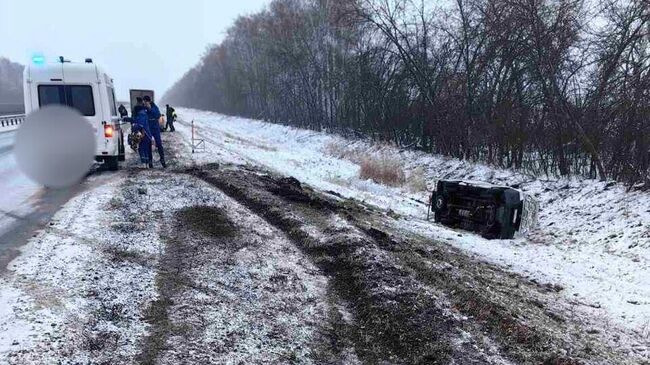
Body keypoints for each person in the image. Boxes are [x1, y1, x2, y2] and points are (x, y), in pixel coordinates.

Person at [143, 95, 166, 168]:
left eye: (145, 102)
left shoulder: (154, 107)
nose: (145, 103)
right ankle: (150, 161)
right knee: (148, 145)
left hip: (155, 128)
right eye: (144, 102)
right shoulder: (143, 108)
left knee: (159, 144)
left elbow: (158, 115)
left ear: (148, 101)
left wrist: (150, 109)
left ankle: (162, 159)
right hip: (148, 128)